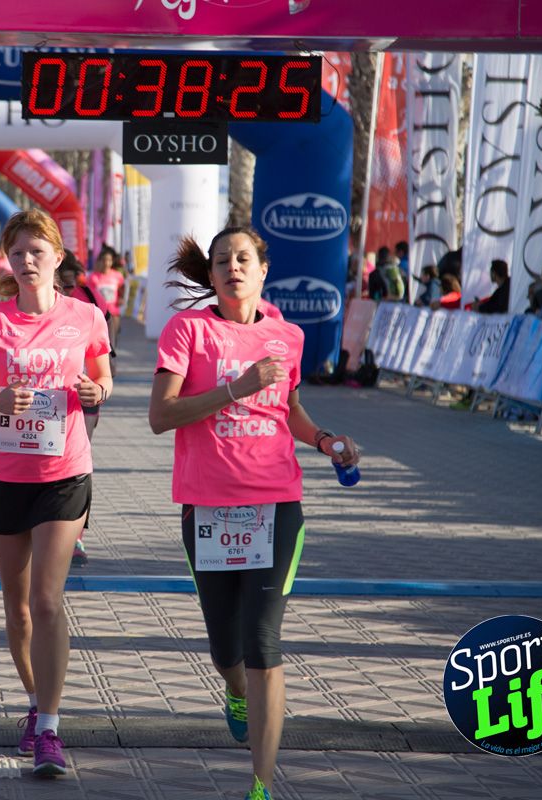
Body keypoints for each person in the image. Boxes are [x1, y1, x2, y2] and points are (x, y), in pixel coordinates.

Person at [148, 226, 360, 800]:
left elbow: (287, 408)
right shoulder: (187, 330)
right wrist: (233, 389)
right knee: (226, 649)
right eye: (222, 261)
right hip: (210, 508)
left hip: (275, 504)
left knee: (264, 642)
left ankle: (261, 786)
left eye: (244, 259)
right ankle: (234, 689)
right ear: (211, 275)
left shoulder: (286, 335)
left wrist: (323, 440)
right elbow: (160, 416)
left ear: (263, 269)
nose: (233, 268)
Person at [0, 210, 111, 778]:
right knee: (17, 610)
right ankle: (36, 702)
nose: (28, 262)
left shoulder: (85, 316)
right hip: (5, 477)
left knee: (46, 601)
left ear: (58, 258)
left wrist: (94, 390)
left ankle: (52, 730)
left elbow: (104, 379)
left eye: (38, 251)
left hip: (64, 473)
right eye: (17, 254)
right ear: (6, 262)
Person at [57, 252, 110, 568]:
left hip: (82, 398)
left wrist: (102, 383)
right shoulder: (26, 294)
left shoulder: (89, 297)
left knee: (79, 461)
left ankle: (76, 535)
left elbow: (106, 344)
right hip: (37, 405)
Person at [87, 245, 126, 356]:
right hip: (99, 313)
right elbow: (89, 294)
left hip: (114, 313)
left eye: (109, 260)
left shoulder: (117, 275)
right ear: (100, 261)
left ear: (112, 261)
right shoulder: (93, 277)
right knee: (100, 340)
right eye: (104, 260)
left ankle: (111, 364)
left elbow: (122, 287)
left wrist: (121, 298)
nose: (106, 263)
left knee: (113, 340)